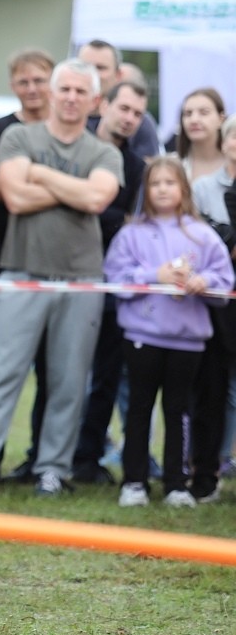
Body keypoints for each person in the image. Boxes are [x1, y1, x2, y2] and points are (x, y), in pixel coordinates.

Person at [0, 58, 123, 497]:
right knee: (0, 373)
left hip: (82, 278)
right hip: (21, 272)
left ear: (95, 100)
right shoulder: (17, 135)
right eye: (64, 89)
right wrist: (74, 189)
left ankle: (52, 469)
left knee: (68, 379)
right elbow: (16, 197)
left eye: (81, 91)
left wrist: (42, 174)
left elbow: (97, 200)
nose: (70, 97)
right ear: (52, 92)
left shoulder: (105, 152)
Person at [105, 156, 234, 507]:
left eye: (170, 183)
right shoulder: (131, 234)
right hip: (143, 337)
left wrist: (203, 281)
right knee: (139, 408)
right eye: (155, 183)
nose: (162, 189)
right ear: (146, 190)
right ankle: (134, 481)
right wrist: (152, 275)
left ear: (183, 189)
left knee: (178, 411)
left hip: (188, 341)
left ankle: (176, 484)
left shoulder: (202, 234)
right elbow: (115, 277)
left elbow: (225, 279)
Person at [0, 48, 55, 483]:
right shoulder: (0, 129)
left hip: (56, 256)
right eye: (23, 81)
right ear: (13, 86)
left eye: (39, 80)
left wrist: (24, 177)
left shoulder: (67, 130)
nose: (32, 88)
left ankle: (41, 460)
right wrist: (58, 181)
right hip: (2, 251)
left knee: (51, 366)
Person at [69, 81, 149, 484]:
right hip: (66, 273)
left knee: (104, 375)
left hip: (110, 283)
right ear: (105, 105)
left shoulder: (136, 167)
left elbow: (126, 224)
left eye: (138, 113)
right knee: (61, 374)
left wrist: (94, 210)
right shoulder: (76, 146)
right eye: (124, 108)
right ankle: (44, 458)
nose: (129, 118)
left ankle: (87, 458)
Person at [189, 114, 236, 503]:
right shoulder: (203, 188)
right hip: (217, 306)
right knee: (210, 392)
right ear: (223, 142)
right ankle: (205, 474)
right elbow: (202, 241)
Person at [76, 40, 160, 160]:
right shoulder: (63, 114)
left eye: (100, 68)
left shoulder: (138, 122)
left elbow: (148, 173)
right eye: (85, 67)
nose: (92, 74)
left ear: (118, 75)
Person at [175, 88, 226, 182]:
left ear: (221, 119)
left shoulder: (232, 162)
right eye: (188, 114)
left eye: (204, 113)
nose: (194, 120)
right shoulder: (173, 166)